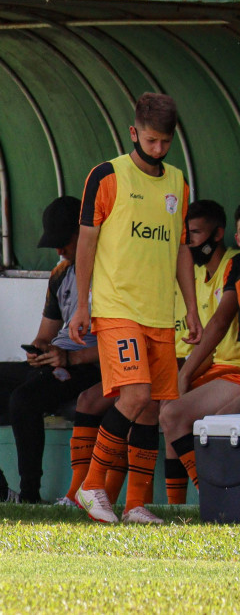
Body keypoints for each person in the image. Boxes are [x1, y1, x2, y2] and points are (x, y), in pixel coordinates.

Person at [69, 92, 201, 524]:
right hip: (117, 308)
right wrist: (81, 304)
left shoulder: (178, 183)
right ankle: (90, 487)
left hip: (160, 314)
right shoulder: (107, 176)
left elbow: (182, 248)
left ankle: (136, 504)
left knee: (150, 407)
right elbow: (86, 242)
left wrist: (192, 310)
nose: (157, 149)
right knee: (135, 395)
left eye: (165, 142)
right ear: (133, 133)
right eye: (150, 140)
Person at [0, 196, 101, 504]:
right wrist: (39, 350)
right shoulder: (60, 274)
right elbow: (45, 334)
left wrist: (70, 358)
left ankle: (30, 497)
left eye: (64, 242)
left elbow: (118, 344)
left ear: (85, 233)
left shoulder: (110, 276)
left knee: (23, 400)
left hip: (86, 366)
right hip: (56, 362)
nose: (59, 251)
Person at [162, 201, 240, 501]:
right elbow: (212, 335)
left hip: (233, 372)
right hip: (221, 369)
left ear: (218, 234)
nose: (190, 242)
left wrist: (184, 376)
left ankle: (215, 498)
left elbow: (219, 325)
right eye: (186, 235)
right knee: (167, 411)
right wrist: (182, 376)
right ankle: (176, 506)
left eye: (195, 233)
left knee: (209, 420)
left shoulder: (233, 264)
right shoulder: (194, 272)